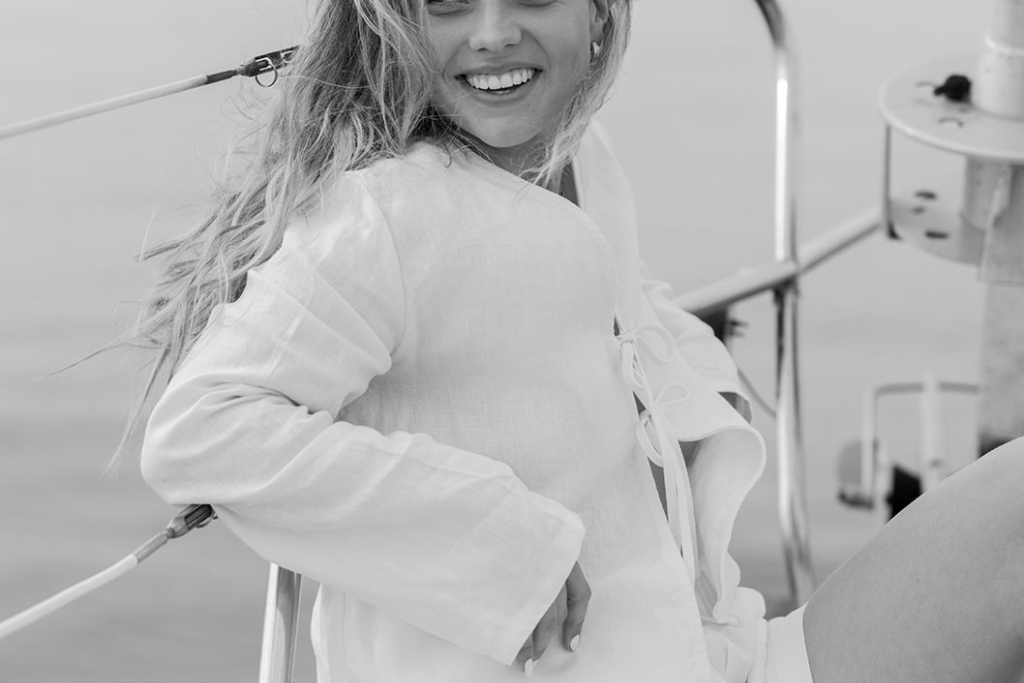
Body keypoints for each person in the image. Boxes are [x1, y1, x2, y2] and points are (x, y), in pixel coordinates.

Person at [134, 0, 1024, 680]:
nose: (490, 33)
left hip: (707, 652)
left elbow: (566, 309)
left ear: (599, 13)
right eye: (447, 2)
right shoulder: (385, 216)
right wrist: (496, 544)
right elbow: (206, 427)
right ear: (396, 21)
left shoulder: (579, 160)